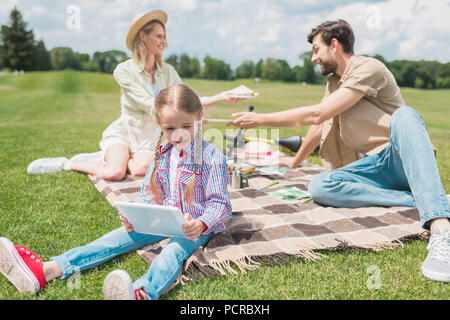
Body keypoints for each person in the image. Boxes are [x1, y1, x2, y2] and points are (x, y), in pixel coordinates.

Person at [230, 20, 450, 282]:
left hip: (400, 157)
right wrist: (293, 165)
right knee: (321, 185)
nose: (313, 58)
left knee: (405, 115)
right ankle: (429, 200)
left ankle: (441, 228)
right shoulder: (335, 83)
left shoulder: (369, 68)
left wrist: (260, 119)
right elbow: (320, 126)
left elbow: (317, 113)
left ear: (334, 45)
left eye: (316, 49)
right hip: (372, 166)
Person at [0, 84, 232, 299]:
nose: (178, 135)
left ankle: (142, 292)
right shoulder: (163, 152)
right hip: (166, 218)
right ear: (159, 123)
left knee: (171, 253)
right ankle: (46, 271)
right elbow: (150, 193)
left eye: (186, 127)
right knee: (114, 239)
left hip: (195, 227)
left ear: (200, 117)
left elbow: (221, 205)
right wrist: (137, 215)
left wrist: (200, 224)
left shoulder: (211, 157)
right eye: (170, 128)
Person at [27, 9, 243, 181]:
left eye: (164, 37)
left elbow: (186, 102)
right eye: (159, 36)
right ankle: (67, 163)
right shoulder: (123, 71)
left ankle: (120, 158)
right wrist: (186, 118)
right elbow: (152, 105)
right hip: (127, 130)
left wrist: (222, 96)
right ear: (143, 36)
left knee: (140, 170)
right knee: (114, 173)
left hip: (150, 135)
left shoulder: (168, 72)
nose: (164, 42)